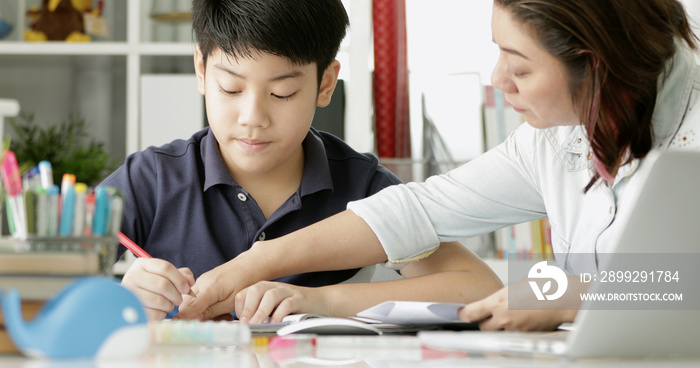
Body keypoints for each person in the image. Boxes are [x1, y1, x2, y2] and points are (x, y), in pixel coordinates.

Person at [177, 0, 700, 330]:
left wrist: (562, 292)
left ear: (595, 64)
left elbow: (678, 283)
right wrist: (253, 266)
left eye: (519, 66)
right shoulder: (552, 138)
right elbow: (418, 211)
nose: (498, 79)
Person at [104, 0, 502, 321]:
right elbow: (45, 286)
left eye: (282, 94)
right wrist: (119, 300)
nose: (252, 117)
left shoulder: (363, 186)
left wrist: (320, 300)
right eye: (230, 88)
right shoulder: (151, 179)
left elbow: (479, 288)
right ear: (202, 70)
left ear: (325, 83)